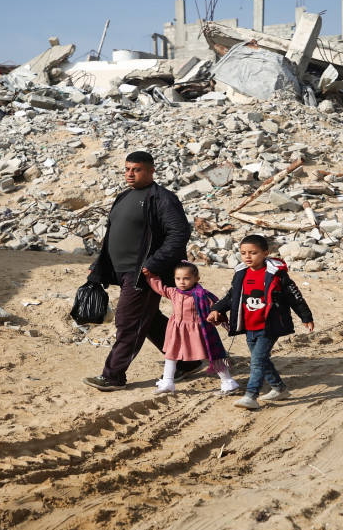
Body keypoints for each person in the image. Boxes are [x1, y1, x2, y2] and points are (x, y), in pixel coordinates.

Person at [82, 151, 203, 391]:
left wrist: (153, 264)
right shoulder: (125, 196)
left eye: (136, 169)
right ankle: (186, 363)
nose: (130, 174)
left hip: (143, 274)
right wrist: (99, 265)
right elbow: (113, 235)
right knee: (148, 319)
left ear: (150, 171)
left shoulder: (162, 199)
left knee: (128, 321)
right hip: (122, 271)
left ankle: (113, 376)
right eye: (127, 169)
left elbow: (179, 234)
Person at [207, 234, 314, 410]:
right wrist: (217, 309)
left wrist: (306, 317)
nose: (248, 256)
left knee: (257, 361)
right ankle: (279, 388)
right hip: (249, 326)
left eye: (253, 252)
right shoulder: (241, 273)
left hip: (269, 326)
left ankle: (251, 396)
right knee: (261, 359)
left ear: (265, 253)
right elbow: (231, 296)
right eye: (243, 253)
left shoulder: (277, 275)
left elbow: (295, 297)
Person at [142, 262, 240, 395]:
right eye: (178, 279)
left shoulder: (202, 295)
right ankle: (168, 383)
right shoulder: (174, 293)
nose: (181, 282)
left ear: (196, 279)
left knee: (210, 356)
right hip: (176, 331)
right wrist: (151, 275)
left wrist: (215, 316)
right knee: (171, 355)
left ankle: (228, 383)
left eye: (186, 278)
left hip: (197, 331)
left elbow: (217, 308)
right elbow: (159, 287)